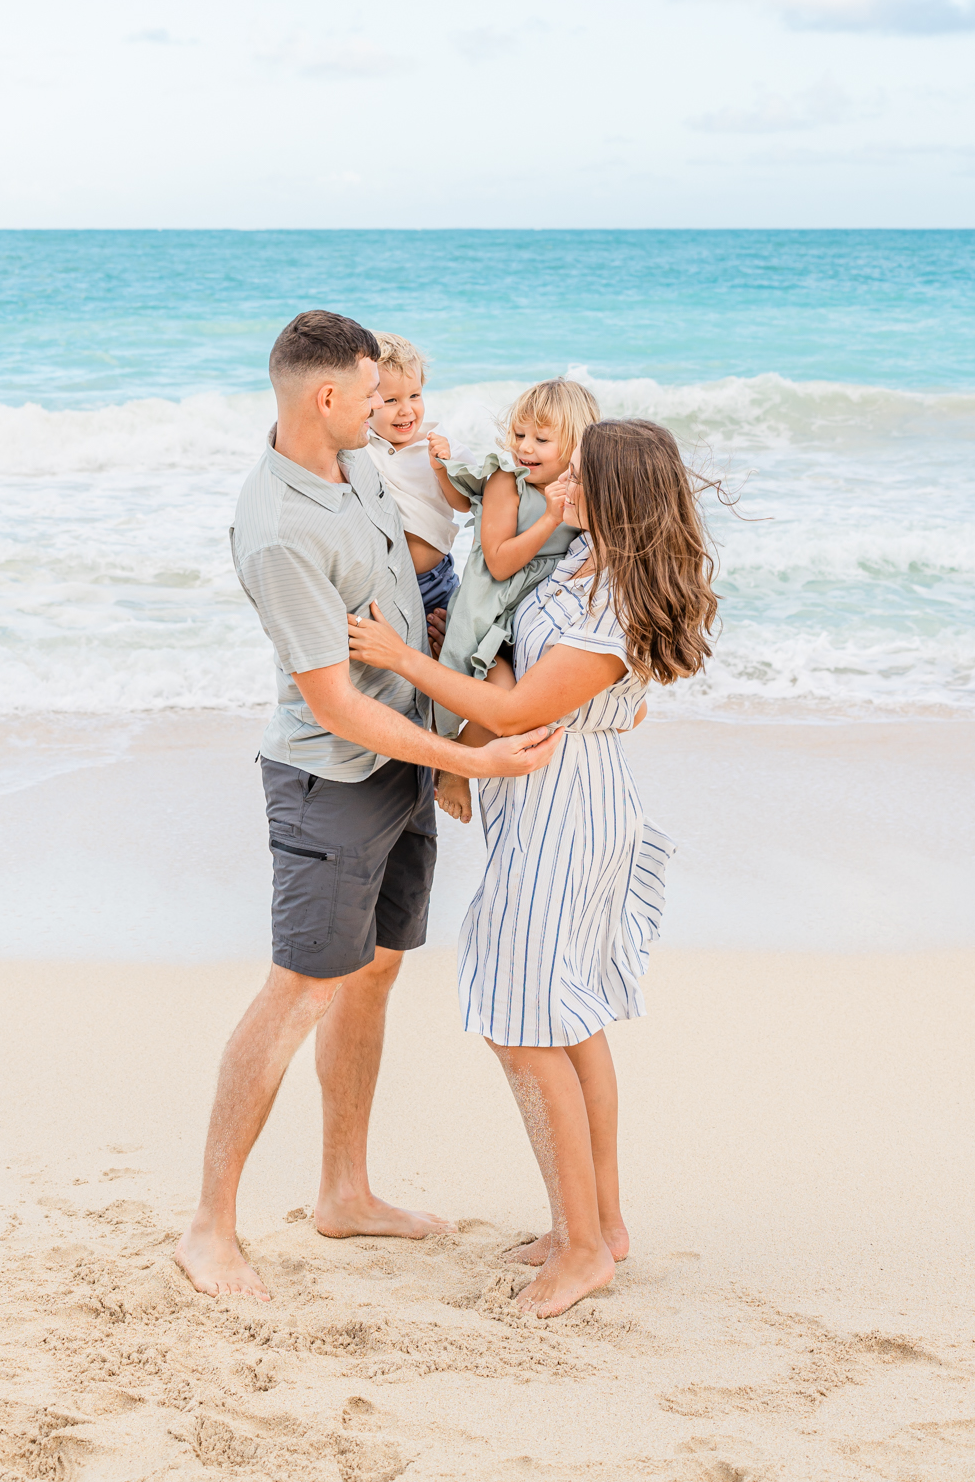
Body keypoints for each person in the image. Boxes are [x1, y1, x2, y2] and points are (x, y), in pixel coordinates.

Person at [173, 310, 563, 1302]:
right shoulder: (278, 530)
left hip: (402, 761)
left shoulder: (358, 466)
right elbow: (334, 701)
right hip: (331, 782)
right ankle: (208, 1231)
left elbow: (407, 591)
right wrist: (472, 760)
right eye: (368, 388)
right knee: (299, 988)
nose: (386, 405)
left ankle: (344, 1191)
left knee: (374, 975)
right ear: (326, 397)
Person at [348, 416, 718, 1317]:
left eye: (580, 477)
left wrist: (402, 659)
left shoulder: (611, 605)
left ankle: (583, 1247)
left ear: (619, 494)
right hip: (553, 798)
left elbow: (514, 711)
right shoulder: (586, 561)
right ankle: (596, 1223)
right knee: (568, 1017)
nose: (561, 486)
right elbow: (514, 659)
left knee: (524, 1022)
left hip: (564, 808)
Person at [431, 377, 600, 827]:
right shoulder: (508, 480)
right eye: (520, 434)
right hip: (494, 610)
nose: (526, 446)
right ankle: (454, 764)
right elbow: (500, 563)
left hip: (539, 614)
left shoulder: (583, 489)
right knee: (505, 703)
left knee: (536, 706)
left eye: (542, 439)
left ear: (576, 448)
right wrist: (549, 518)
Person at [363, 333, 469, 653]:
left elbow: (464, 504)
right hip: (384, 588)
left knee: (451, 654)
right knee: (396, 665)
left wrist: (442, 469)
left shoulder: (438, 446)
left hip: (435, 582)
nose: (406, 410)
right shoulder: (360, 447)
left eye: (415, 395)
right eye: (391, 400)